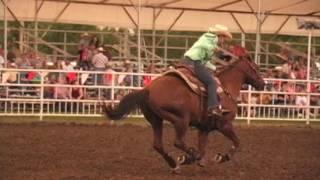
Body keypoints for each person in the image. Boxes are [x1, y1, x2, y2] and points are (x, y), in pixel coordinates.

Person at [183, 24, 232, 117]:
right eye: (224, 38)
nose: (224, 41)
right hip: (194, 63)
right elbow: (203, 45)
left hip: (189, 61)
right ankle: (213, 107)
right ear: (220, 36)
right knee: (212, 83)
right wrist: (216, 49)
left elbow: (205, 61)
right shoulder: (209, 38)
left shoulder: (208, 39)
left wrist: (215, 68)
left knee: (209, 80)